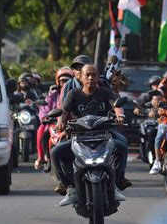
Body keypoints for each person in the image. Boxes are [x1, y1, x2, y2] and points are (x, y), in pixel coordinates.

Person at [51, 64, 129, 206]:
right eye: (87, 75)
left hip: (104, 133)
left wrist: (120, 116)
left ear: (98, 77)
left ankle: (117, 182)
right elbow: (63, 112)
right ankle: (68, 186)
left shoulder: (105, 92)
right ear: (80, 77)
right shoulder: (73, 94)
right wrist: (60, 123)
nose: (91, 78)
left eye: (94, 75)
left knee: (122, 145)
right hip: (78, 135)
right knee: (55, 152)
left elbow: (117, 106)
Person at [35, 67, 73, 171]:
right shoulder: (53, 95)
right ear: (58, 82)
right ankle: (46, 159)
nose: (64, 83)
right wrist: (45, 117)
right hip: (54, 123)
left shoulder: (74, 93)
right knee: (43, 133)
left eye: (67, 80)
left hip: (71, 123)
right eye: (62, 81)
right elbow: (45, 108)